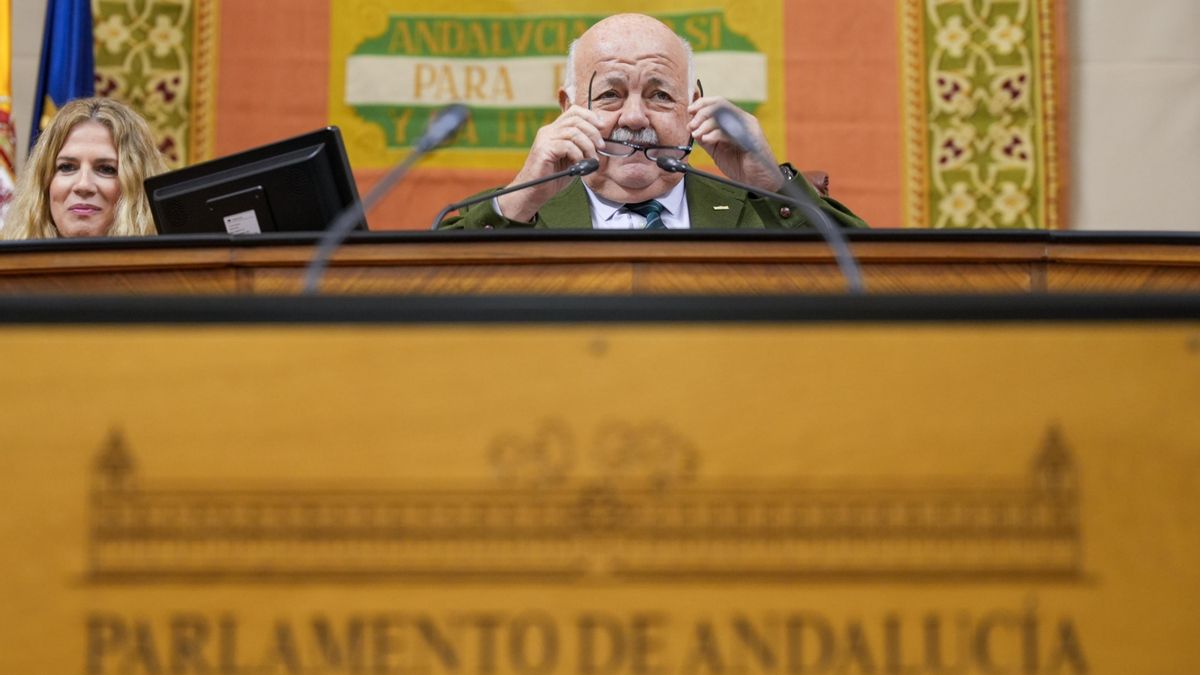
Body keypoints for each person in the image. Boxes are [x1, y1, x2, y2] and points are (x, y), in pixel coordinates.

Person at [438, 13, 866, 230]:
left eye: (661, 95)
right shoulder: (520, 211)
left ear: (692, 107)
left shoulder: (759, 208)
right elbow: (429, 295)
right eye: (610, 94)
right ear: (568, 108)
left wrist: (772, 186)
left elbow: (876, 277)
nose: (636, 117)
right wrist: (517, 203)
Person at [2, 97, 167, 240]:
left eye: (106, 169)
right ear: (44, 183)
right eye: (67, 167)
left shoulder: (172, 275)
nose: (83, 185)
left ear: (137, 185)